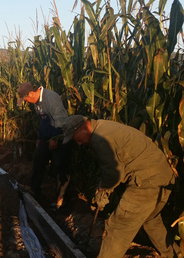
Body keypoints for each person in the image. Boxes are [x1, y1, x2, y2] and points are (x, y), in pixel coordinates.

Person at [62, 115, 179, 258]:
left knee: (118, 227)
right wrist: (104, 186)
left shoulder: (100, 138)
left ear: (83, 127)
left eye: (76, 138)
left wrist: (104, 189)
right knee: (151, 221)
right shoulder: (104, 127)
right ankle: (175, 254)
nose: (79, 143)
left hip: (146, 183)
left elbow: (114, 173)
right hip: (163, 178)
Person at [17, 82, 70, 209]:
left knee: (60, 166)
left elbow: (60, 118)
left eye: (26, 99)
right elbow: (43, 120)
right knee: (38, 158)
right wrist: (40, 138)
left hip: (60, 134)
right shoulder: (37, 103)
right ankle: (35, 189)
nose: (27, 102)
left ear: (31, 93)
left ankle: (61, 200)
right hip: (47, 136)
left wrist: (55, 138)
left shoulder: (50, 98)